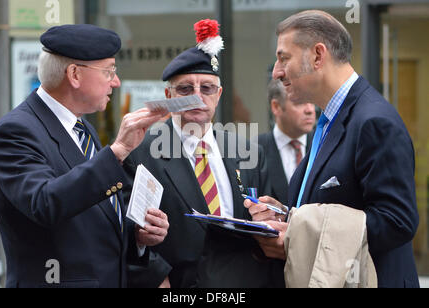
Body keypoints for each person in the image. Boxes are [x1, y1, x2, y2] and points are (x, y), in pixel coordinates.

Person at [0, 24, 169, 288]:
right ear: (74, 74)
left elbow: (93, 216)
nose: (115, 81)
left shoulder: (82, 128)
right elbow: (45, 203)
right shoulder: (16, 131)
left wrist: (139, 235)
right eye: (109, 71)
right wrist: (116, 152)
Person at [245, 10, 420, 288]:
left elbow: (397, 222)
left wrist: (297, 233)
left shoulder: (373, 122)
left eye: (283, 58)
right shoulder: (329, 121)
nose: (277, 72)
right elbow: (336, 207)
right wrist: (286, 215)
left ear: (317, 55)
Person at [126, 19, 283, 288]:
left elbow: (267, 225)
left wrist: (272, 218)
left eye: (207, 88)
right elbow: (130, 235)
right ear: (168, 95)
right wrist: (156, 279)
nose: (197, 97)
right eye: (185, 89)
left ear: (219, 94)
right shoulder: (142, 153)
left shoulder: (247, 151)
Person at [258, 79, 315, 204]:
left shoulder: (325, 145)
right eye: (300, 102)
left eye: (312, 100)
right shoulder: (254, 151)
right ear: (276, 107)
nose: (310, 110)